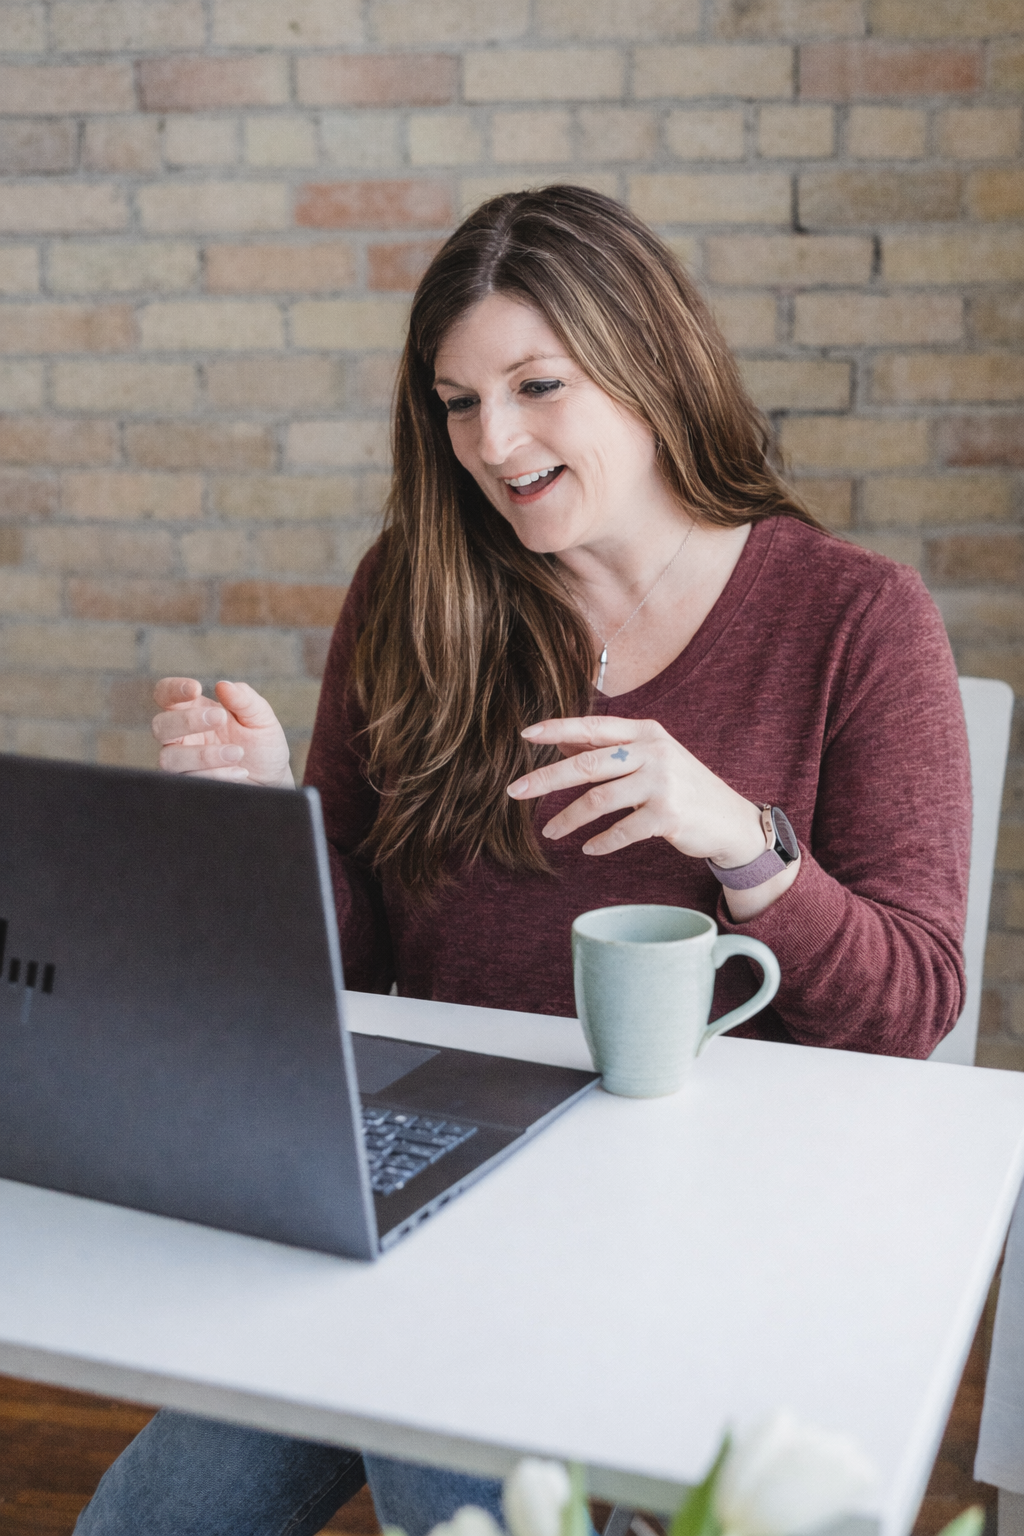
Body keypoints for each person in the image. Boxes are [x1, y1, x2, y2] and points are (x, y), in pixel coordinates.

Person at [78, 186, 971, 1536]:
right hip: (424, 1183)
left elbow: (910, 1007)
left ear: (651, 364)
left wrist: (740, 841)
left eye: (537, 384)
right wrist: (270, 824)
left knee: (448, 1441)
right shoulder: (413, 589)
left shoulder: (853, 621)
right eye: (456, 402)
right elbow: (365, 959)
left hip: (692, 1219)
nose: (494, 442)